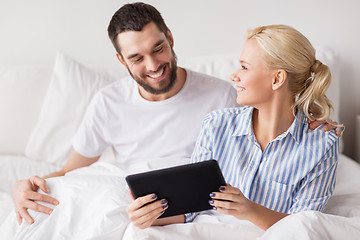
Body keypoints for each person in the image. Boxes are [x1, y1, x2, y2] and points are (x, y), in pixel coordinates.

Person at [11, 3, 338, 227]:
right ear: (121, 60)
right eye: (137, 58)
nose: (152, 66)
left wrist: (314, 116)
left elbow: (274, 110)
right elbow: (71, 172)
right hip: (146, 198)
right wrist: (21, 185)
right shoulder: (108, 103)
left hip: (200, 207)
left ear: (170, 37)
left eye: (157, 49)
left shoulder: (221, 98)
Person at [185, 25, 342, 230]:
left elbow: (304, 227)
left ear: (277, 79)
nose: (234, 75)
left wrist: (250, 210)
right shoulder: (216, 125)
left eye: (244, 67)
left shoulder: (322, 145)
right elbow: (189, 208)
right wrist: (151, 215)